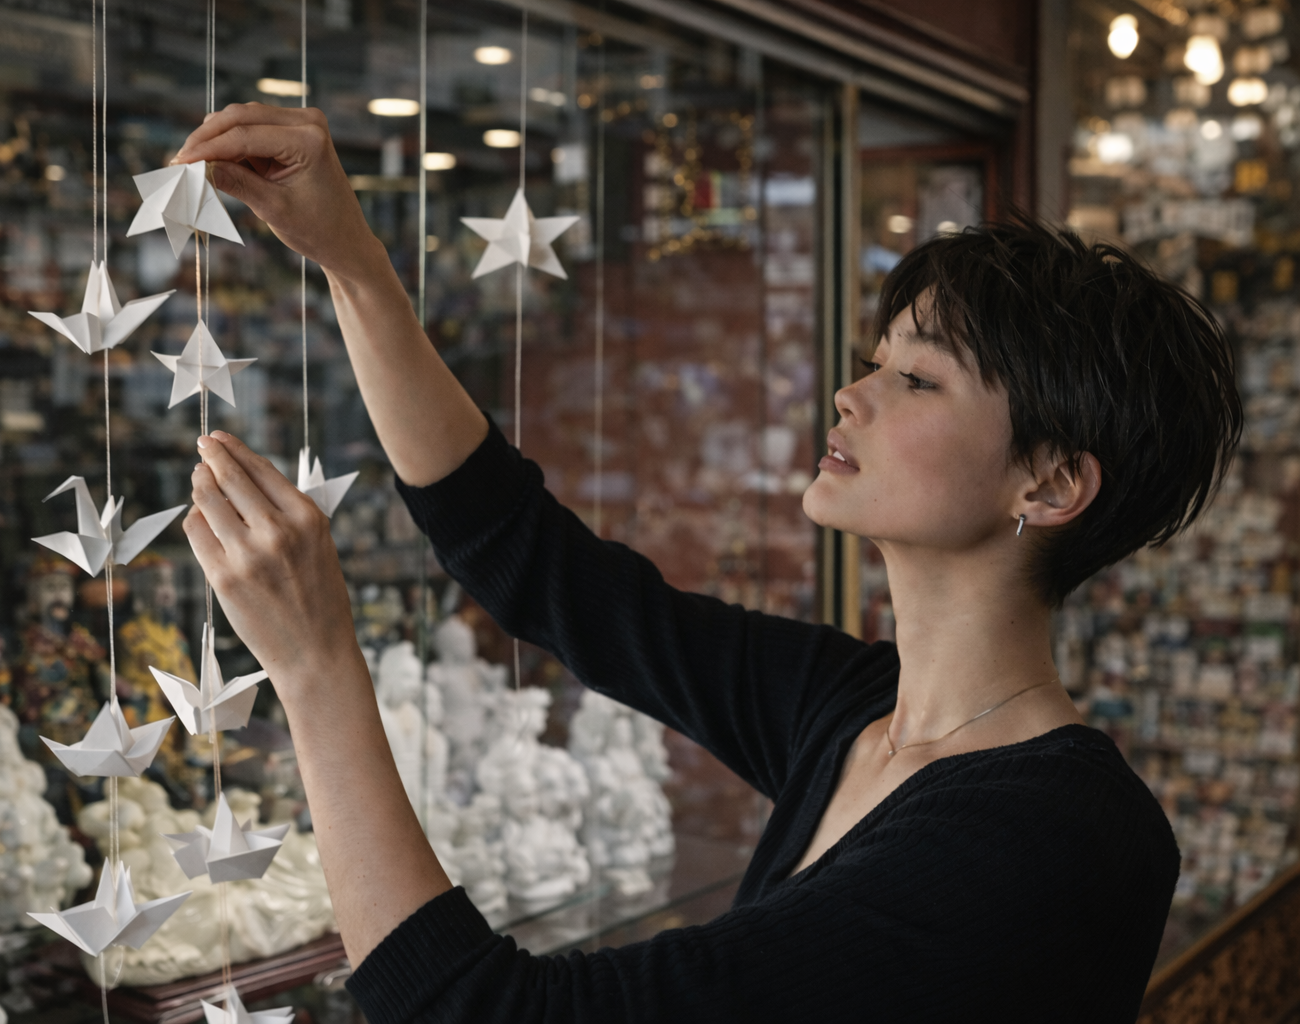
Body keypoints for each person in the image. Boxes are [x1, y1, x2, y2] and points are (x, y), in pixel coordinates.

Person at [168, 106, 1243, 1022]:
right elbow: (534, 561)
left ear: (1050, 484)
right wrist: (351, 262)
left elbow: (478, 1012)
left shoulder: (1056, 841)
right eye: (874, 363)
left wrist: (314, 668)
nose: (850, 394)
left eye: (919, 380)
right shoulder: (858, 707)